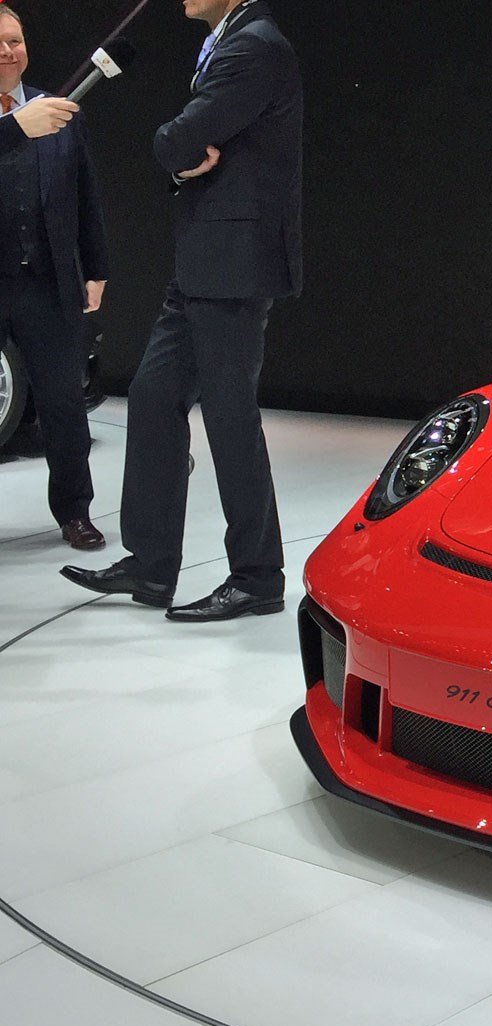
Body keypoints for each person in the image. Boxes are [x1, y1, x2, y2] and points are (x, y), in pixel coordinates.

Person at [63, 0, 302, 621]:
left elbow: (176, 138)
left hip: (234, 263)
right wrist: (182, 161)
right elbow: (192, 151)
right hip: (204, 260)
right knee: (151, 397)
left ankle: (257, 576)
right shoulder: (234, 38)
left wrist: (173, 150)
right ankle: (150, 565)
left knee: (229, 418)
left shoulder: (253, 44)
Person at [0, 4, 109, 550]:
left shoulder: (58, 111)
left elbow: (86, 194)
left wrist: (97, 267)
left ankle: (75, 512)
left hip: (47, 284)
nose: (8, 52)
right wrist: (13, 129)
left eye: (15, 40)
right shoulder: (26, 118)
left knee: (64, 405)